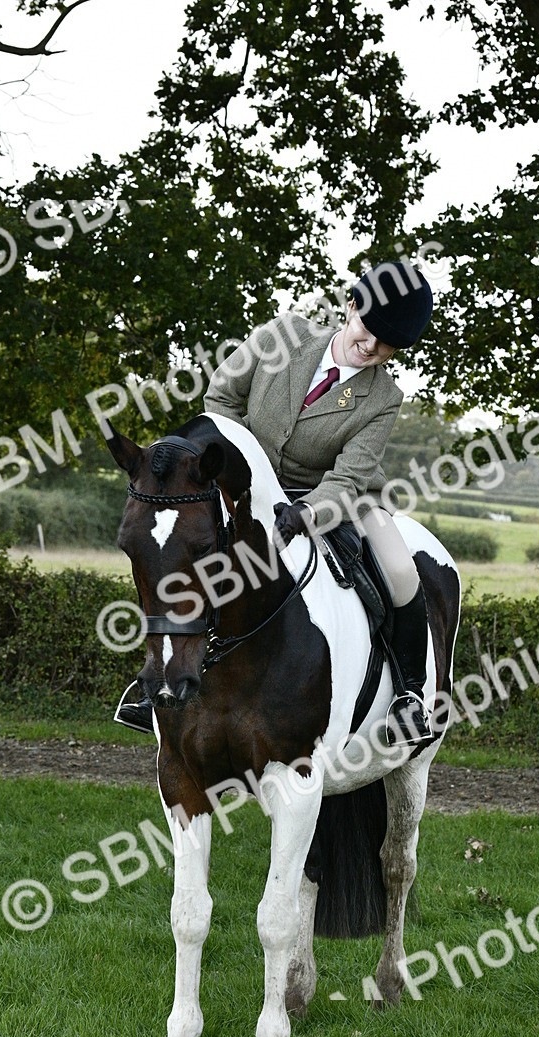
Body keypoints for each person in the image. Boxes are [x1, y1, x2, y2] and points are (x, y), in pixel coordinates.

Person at [116, 260, 434, 744]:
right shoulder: (282, 334)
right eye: (368, 331)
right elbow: (221, 398)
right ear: (351, 307)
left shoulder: (384, 398)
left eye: (387, 345)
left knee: (401, 569)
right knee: (176, 547)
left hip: (339, 497)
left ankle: (410, 695)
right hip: (247, 483)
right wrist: (247, 473)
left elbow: (349, 476)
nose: (371, 348)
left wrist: (308, 512)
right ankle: (156, 680)